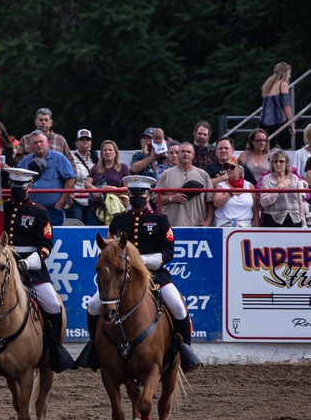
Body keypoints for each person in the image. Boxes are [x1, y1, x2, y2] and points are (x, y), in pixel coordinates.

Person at [78, 175, 201, 373]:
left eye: (141, 193)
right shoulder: (119, 220)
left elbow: (168, 251)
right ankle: (94, 348)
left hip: (154, 274)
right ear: (128, 194)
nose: (137, 197)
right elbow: (110, 249)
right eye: (134, 193)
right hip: (121, 276)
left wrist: (141, 261)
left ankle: (184, 351)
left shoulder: (160, 219)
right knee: (93, 305)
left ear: (148, 194)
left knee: (178, 307)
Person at [0, 168, 76, 374]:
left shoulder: (39, 212)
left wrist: (28, 263)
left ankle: (55, 351)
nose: (16, 190)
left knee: (52, 303)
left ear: (29, 186)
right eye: (13, 186)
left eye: (20, 186)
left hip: (30, 270)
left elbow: (45, 246)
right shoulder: (1, 210)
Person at [16, 130, 75, 226]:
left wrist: (60, 203)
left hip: (52, 210)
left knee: (51, 238)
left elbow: (71, 178)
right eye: (35, 143)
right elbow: (17, 179)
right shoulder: (24, 162)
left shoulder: (59, 158)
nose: (38, 145)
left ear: (47, 142)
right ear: (31, 146)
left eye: (41, 141)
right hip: (30, 209)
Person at [156, 142, 214, 227]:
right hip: (172, 226)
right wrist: (172, 198)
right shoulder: (166, 174)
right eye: (183, 151)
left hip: (197, 225)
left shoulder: (203, 174)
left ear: (193, 155)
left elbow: (210, 201)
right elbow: (155, 198)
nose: (186, 154)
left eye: (188, 152)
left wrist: (208, 221)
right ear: (178, 154)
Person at [85, 140, 129, 226]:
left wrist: (112, 190)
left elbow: (127, 188)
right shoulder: (96, 167)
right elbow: (87, 183)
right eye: (105, 150)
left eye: (110, 150)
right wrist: (95, 190)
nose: (108, 152)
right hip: (97, 206)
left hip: (116, 207)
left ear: (115, 152)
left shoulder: (123, 168)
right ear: (101, 153)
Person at [259, 150, 307, 227]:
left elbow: (299, 202)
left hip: (294, 219)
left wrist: (303, 222)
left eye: (281, 161)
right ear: (272, 164)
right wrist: (278, 187)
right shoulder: (267, 179)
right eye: (275, 161)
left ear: (286, 163)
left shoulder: (294, 178)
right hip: (273, 219)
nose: (278, 164)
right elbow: (264, 202)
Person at [260, 62, 294, 149]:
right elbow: (286, 106)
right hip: (278, 121)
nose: (290, 76)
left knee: (266, 149)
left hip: (265, 121)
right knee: (286, 149)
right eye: (289, 73)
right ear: (285, 72)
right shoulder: (283, 84)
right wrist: (292, 125)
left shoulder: (269, 84)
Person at [212, 161, 257, 227]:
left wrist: (257, 228)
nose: (229, 169)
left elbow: (255, 209)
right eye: (227, 168)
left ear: (240, 170)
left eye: (232, 167)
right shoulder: (221, 186)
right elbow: (216, 203)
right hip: (224, 224)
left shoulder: (249, 186)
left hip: (245, 225)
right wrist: (231, 193)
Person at [66, 128, 97, 223]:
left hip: (92, 199)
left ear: (91, 143)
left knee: (91, 227)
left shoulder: (96, 158)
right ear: (76, 143)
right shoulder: (70, 158)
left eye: (87, 140)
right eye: (82, 140)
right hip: (76, 198)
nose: (85, 142)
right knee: (77, 225)